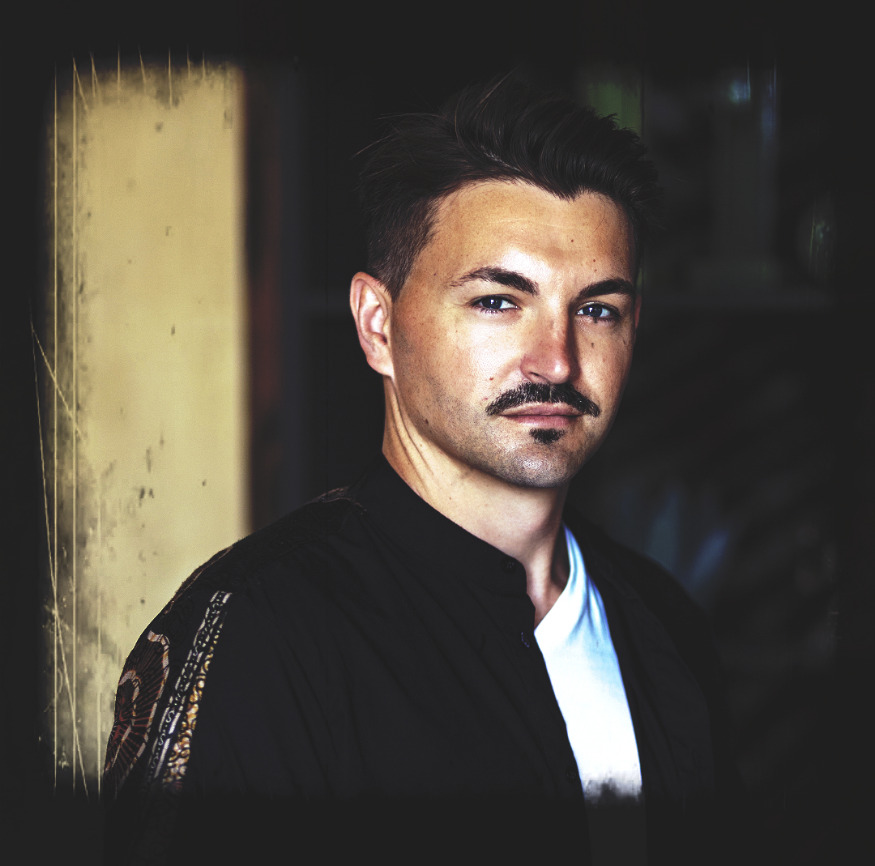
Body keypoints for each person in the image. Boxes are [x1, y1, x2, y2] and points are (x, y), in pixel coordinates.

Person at [103, 76, 741, 865]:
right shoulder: (262, 633)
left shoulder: (662, 624)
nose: (556, 360)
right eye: (497, 301)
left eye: (595, 310)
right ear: (377, 325)